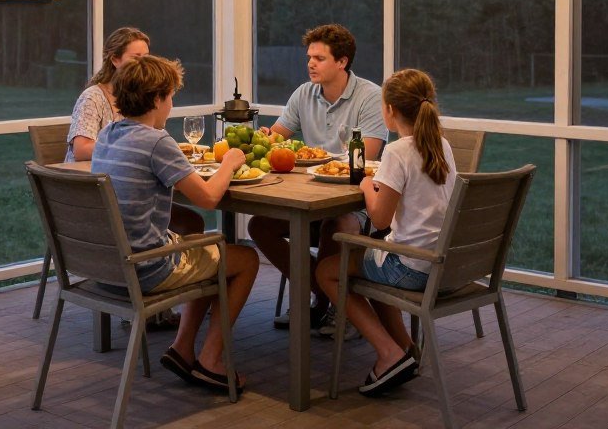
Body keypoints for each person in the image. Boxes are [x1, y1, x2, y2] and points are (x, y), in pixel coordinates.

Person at [92, 55, 259, 392]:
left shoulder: (109, 133)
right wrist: (230, 161)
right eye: (170, 96)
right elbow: (210, 198)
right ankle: (212, 359)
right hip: (144, 269)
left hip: (105, 268)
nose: (171, 103)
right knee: (246, 259)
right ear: (156, 99)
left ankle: (183, 350)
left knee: (204, 247)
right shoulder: (156, 141)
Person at [315, 68, 457, 397]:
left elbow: (379, 220)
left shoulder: (397, 152)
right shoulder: (442, 146)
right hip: (441, 264)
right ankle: (406, 349)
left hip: (410, 267)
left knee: (327, 271)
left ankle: (388, 353)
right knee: (370, 265)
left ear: (389, 110)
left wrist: (367, 184)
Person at [248, 23, 387, 336]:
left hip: (359, 203)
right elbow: (277, 137)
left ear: (342, 62)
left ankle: (330, 306)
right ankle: (329, 296)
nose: (310, 63)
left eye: (319, 58)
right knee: (259, 225)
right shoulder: (304, 93)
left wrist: (321, 162)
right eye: (309, 57)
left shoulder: (370, 97)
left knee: (334, 223)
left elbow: (364, 158)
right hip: (310, 198)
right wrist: (265, 136)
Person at [65, 27, 205, 329]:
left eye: (146, 57)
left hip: (111, 248)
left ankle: (158, 312)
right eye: (136, 58)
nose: (143, 63)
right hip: (125, 247)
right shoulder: (99, 101)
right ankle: (191, 347)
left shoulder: (112, 134)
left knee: (191, 224)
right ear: (115, 60)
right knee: (235, 257)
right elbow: (79, 149)